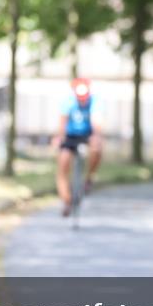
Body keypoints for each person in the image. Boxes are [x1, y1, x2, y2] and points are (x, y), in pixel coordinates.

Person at [53, 77, 103, 216]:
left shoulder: (94, 101)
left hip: (87, 135)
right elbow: (62, 122)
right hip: (70, 136)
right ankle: (66, 200)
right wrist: (59, 137)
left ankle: (89, 178)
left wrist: (96, 135)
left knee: (97, 149)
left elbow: (96, 121)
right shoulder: (68, 101)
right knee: (63, 163)